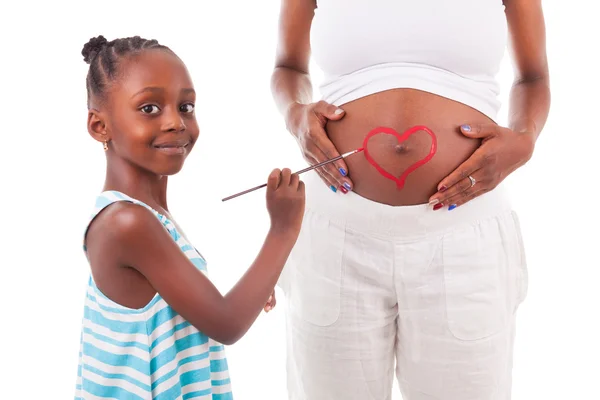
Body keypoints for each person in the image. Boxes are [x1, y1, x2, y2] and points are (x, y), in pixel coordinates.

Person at [271, 0, 550, 399]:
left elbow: (533, 77)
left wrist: (525, 139)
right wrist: (294, 114)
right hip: (336, 236)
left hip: (465, 237)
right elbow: (289, 68)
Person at [75, 35, 305, 400]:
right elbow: (226, 323)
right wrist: (283, 228)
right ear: (99, 126)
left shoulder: (148, 215)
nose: (176, 123)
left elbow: (198, 309)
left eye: (186, 107)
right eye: (149, 108)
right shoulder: (127, 223)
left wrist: (256, 286)